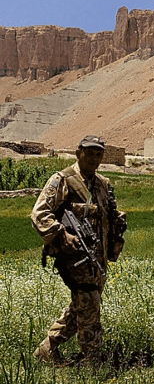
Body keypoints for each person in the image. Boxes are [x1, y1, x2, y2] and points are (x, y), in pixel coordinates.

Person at [31, 135, 126, 366]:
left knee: (82, 306)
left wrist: (117, 220)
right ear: (78, 153)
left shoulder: (103, 184)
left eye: (98, 154)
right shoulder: (63, 180)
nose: (94, 158)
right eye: (90, 153)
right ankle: (93, 362)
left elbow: (106, 214)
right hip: (75, 258)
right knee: (90, 306)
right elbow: (40, 213)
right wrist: (62, 234)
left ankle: (47, 348)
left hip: (98, 259)